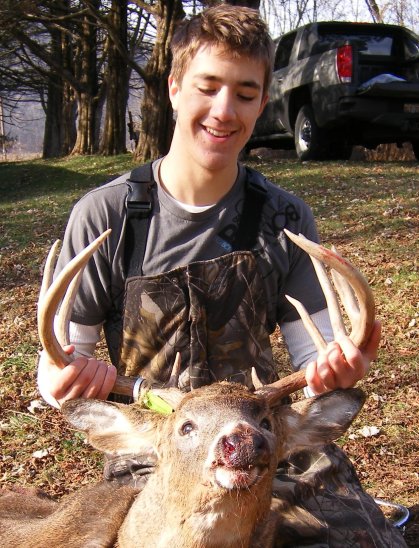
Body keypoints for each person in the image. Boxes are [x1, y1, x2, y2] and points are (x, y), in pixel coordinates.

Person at [37, 6, 403, 547]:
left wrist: (337, 367)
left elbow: (315, 360)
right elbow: (57, 370)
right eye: (208, 87)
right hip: (159, 446)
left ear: (263, 101)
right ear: (175, 87)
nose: (224, 110)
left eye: (246, 93)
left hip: (267, 440)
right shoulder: (108, 215)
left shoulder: (284, 218)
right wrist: (67, 377)